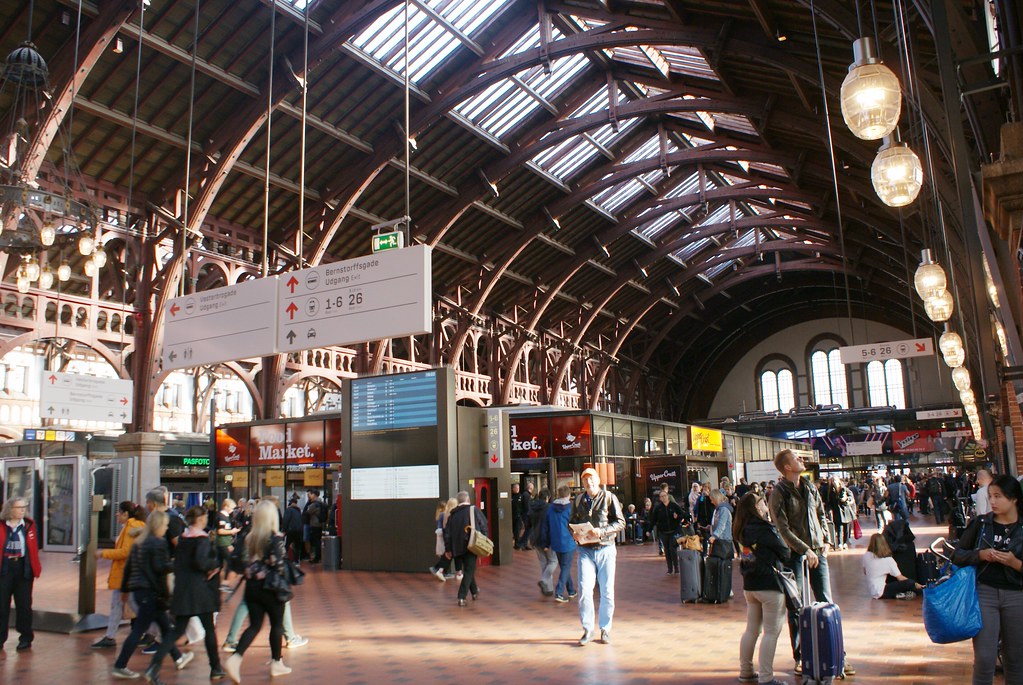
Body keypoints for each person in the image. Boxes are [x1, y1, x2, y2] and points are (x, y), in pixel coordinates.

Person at [768, 449, 855, 677]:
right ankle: (801, 656)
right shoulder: (779, 493)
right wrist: (804, 549)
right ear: (787, 467)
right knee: (796, 607)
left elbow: (820, 513)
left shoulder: (809, 486)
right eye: (797, 458)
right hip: (796, 555)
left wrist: (825, 539)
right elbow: (783, 528)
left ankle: (837, 654)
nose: (802, 460)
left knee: (826, 601)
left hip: (817, 550)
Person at [952, 474, 1023, 685]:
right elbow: (958, 554)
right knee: (984, 658)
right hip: (985, 593)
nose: (992, 501)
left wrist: (1014, 563)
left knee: (1016, 659)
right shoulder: (982, 524)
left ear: (1014, 499)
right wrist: (980, 555)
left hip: (1017, 595)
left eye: (998, 496)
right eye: (991, 496)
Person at [112, 510, 190, 680]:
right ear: (159, 525)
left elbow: (128, 568)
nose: (166, 528)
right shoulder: (158, 543)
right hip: (152, 593)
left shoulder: (139, 542)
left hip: (140, 592)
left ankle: (178, 657)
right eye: (165, 525)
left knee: (164, 626)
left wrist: (125, 590)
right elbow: (159, 568)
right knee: (141, 629)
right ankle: (120, 664)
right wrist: (174, 565)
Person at [149, 506, 224, 682]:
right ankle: (215, 667)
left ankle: (154, 666)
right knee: (209, 630)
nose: (206, 519)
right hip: (200, 591)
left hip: (183, 589)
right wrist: (215, 563)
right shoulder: (202, 539)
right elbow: (202, 562)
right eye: (205, 517)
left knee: (177, 631)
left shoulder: (183, 538)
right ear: (200, 519)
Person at [224, 500, 293, 683]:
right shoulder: (275, 538)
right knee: (277, 624)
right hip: (271, 588)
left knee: (254, 625)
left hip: (251, 588)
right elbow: (279, 565)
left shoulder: (248, 537)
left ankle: (236, 658)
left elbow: (239, 561)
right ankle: (276, 663)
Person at [735, 493, 790, 685]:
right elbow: (784, 552)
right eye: (762, 502)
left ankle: (746, 671)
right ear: (756, 508)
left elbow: (747, 556)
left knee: (751, 630)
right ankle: (766, 677)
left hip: (750, 585)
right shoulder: (765, 529)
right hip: (769, 585)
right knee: (771, 632)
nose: (765, 505)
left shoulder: (741, 530)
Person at [569, 467, 625, 646]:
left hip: (605, 548)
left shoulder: (609, 498)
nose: (588, 483)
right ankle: (587, 629)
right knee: (585, 590)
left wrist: (601, 531)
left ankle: (605, 628)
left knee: (607, 591)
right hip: (585, 550)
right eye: (585, 480)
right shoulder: (578, 500)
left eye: (591, 479)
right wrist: (575, 534)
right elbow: (571, 523)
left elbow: (620, 522)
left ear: (598, 480)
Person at [93, 501, 146, 649]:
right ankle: (110, 636)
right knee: (121, 605)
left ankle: (160, 633)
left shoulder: (132, 528)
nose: (116, 514)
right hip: (130, 573)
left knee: (131, 606)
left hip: (127, 574)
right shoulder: (136, 526)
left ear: (126, 514)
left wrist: (103, 553)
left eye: (119, 512)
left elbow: (125, 552)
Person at [0, 497, 41, 652]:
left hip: (23, 568)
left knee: (24, 605)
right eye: (19, 507)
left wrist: (35, 567)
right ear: (10, 509)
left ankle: (25, 638)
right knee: (2, 606)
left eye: (24, 506)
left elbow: (34, 546)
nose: (22, 510)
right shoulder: (2, 524)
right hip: (5, 567)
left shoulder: (29, 524)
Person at [444, 491, 487, 607]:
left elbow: (447, 533)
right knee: (469, 570)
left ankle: (474, 591)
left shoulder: (452, 515)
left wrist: (448, 549)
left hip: (456, 548)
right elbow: (483, 525)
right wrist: (484, 540)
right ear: (468, 500)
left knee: (469, 569)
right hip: (470, 546)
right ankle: (461, 596)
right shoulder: (473, 510)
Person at [861, 533, 923, 601]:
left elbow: (865, 572)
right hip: (882, 591)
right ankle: (922, 590)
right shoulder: (888, 560)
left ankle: (898, 595)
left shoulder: (866, 555)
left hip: (873, 591)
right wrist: (915, 584)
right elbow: (900, 578)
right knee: (908, 583)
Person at [541, 485, 577, 602]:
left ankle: (571, 590)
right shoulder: (570, 508)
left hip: (555, 541)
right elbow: (574, 524)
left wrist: (546, 543)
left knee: (563, 566)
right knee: (565, 567)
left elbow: (546, 526)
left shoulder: (551, 508)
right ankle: (559, 592)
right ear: (568, 495)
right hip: (568, 541)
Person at [529, 488, 557, 596]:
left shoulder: (532, 507)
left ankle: (548, 589)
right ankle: (544, 580)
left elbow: (527, 522)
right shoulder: (550, 508)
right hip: (546, 538)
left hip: (535, 538)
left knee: (544, 563)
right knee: (553, 561)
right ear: (547, 497)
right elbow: (550, 525)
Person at [650, 490, 685, 575]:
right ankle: (669, 569)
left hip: (674, 531)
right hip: (663, 532)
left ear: (668, 496)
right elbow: (653, 519)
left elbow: (683, 514)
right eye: (661, 496)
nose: (663, 498)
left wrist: (678, 516)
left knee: (673, 548)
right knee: (667, 550)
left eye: (664, 496)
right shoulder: (658, 508)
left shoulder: (674, 505)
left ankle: (676, 568)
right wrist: (649, 530)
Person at [216, 499, 239, 586]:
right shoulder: (222, 517)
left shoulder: (225, 517)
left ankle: (220, 581)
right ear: (226, 506)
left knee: (220, 563)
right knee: (230, 561)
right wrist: (231, 532)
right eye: (231, 508)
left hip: (224, 542)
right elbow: (220, 531)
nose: (232, 510)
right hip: (223, 543)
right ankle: (226, 581)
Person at [707, 489, 734, 559]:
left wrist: (714, 536)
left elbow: (722, 525)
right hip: (720, 540)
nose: (711, 502)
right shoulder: (718, 509)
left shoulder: (723, 510)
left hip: (724, 540)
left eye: (712, 499)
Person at [302, 490, 326, 563]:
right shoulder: (321, 503)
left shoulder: (314, 504)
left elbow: (307, 512)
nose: (309, 496)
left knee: (316, 542)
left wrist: (308, 505)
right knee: (317, 541)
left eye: (310, 494)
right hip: (320, 524)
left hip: (315, 524)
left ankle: (316, 558)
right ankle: (318, 557)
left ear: (314, 495)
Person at [510, 483, 525, 549]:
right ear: (513, 489)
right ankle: (516, 542)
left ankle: (517, 543)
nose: (517, 489)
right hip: (512, 516)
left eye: (518, 488)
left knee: (517, 530)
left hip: (518, 516)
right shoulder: (511, 497)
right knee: (514, 530)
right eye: (516, 488)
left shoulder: (521, 497)